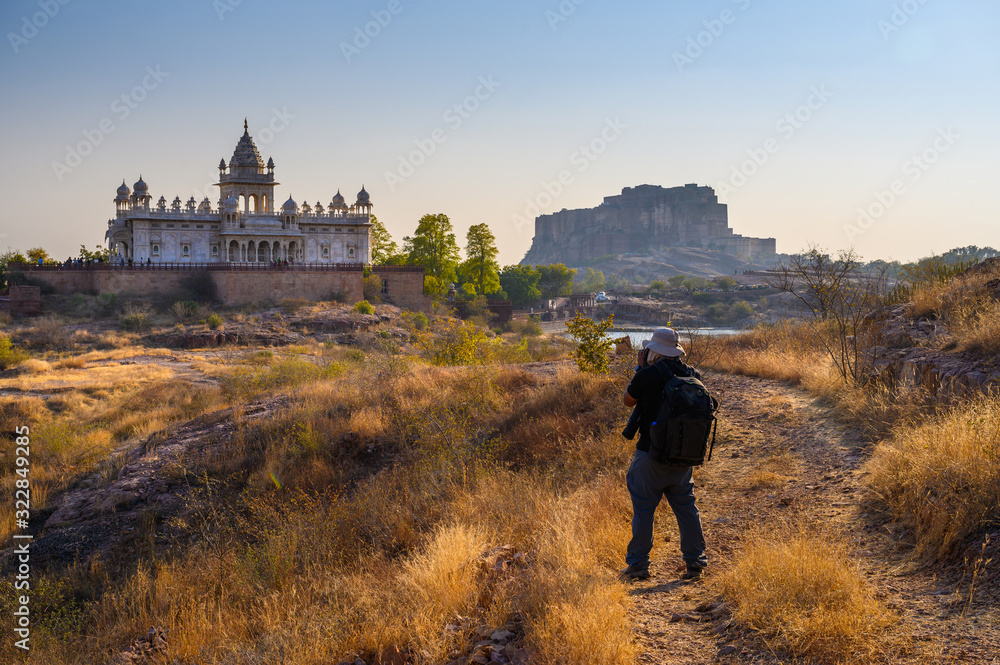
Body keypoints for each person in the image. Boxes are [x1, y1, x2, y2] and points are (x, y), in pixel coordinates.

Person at [620, 327, 708, 582]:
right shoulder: (693, 374)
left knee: (644, 510)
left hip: (650, 455)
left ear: (653, 351)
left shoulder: (647, 375)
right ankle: (695, 563)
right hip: (683, 456)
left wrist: (639, 368)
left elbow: (628, 400)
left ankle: (638, 565)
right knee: (686, 508)